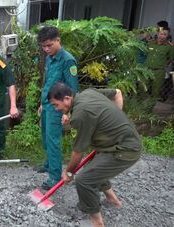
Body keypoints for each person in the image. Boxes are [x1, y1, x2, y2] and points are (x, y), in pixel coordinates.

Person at [48, 82, 142, 227]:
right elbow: (117, 92)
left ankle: (97, 222)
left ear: (67, 99)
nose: (56, 109)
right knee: (94, 167)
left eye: (56, 105)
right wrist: (115, 121)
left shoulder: (80, 114)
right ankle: (113, 200)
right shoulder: (88, 93)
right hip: (124, 141)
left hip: (125, 149)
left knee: (84, 180)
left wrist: (69, 172)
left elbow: (78, 152)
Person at [36, 26, 79, 190]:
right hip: (47, 105)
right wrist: (41, 103)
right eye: (43, 46)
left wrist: (67, 113)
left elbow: (73, 89)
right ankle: (48, 163)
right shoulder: (49, 58)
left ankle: (54, 176)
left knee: (53, 141)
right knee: (46, 137)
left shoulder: (68, 60)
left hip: (58, 108)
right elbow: (47, 82)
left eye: (49, 45)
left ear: (58, 41)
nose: (46, 49)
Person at [143, 26, 174, 100]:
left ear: (167, 36)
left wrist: (162, 64)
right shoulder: (150, 43)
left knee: (155, 92)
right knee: (142, 89)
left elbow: (171, 59)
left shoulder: (169, 47)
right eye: (161, 33)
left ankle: (149, 110)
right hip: (146, 70)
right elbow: (145, 54)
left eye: (165, 34)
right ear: (157, 33)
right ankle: (138, 108)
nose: (162, 36)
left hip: (159, 71)